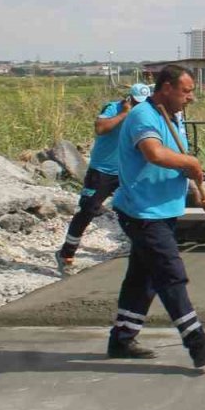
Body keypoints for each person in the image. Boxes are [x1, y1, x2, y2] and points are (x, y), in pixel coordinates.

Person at [106, 65, 205, 368]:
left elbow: (177, 159)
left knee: (143, 277)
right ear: (165, 88)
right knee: (169, 272)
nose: (191, 98)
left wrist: (198, 188)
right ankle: (196, 341)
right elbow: (155, 154)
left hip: (163, 208)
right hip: (142, 211)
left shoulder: (174, 116)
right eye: (186, 91)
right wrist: (191, 161)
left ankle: (122, 339)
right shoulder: (142, 116)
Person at [55, 83, 152, 276]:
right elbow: (100, 128)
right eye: (135, 102)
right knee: (89, 209)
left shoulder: (146, 112)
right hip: (103, 170)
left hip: (128, 170)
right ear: (128, 99)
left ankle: (141, 249)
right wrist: (125, 114)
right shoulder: (113, 108)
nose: (138, 106)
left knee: (138, 208)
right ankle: (66, 253)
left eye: (142, 103)